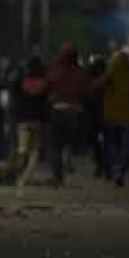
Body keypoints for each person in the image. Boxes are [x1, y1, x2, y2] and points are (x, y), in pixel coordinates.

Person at [46, 42, 89, 186]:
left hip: (58, 111)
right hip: (74, 112)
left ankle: (57, 175)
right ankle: (66, 169)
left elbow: (47, 87)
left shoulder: (54, 71)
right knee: (68, 144)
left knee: (55, 145)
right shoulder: (81, 73)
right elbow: (86, 91)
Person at [99, 49, 129, 186]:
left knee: (111, 144)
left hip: (111, 115)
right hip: (128, 115)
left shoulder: (110, 74)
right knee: (126, 146)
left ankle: (113, 169)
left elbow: (97, 86)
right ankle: (121, 170)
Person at [13, 56, 50, 187]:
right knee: (35, 151)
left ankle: (16, 174)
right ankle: (25, 178)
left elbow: (13, 90)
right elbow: (46, 103)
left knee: (22, 150)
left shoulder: (23, 82)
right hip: (37, 120)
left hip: (23, 120)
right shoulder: (44, 84)